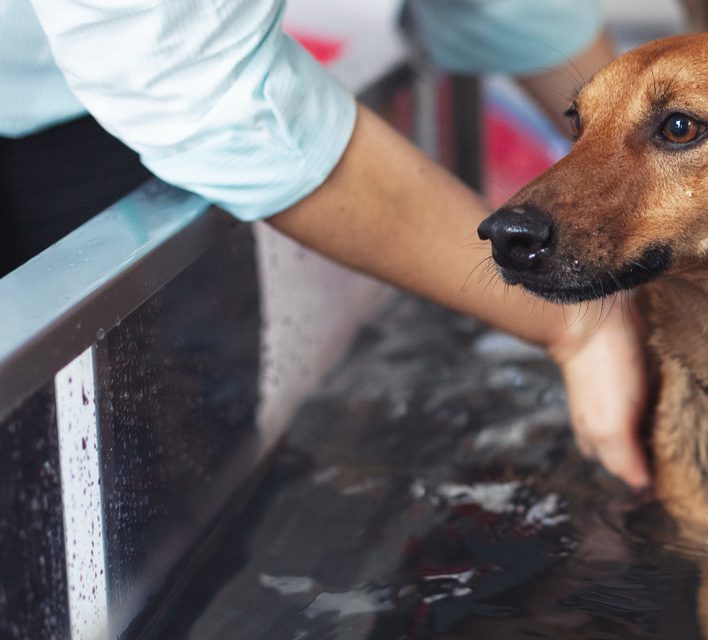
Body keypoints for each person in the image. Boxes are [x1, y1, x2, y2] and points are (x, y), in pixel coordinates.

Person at [0, 0, 651, 488]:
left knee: (190, 456)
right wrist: (575, 328)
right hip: (80, 86)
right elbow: (191, 82)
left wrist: (642, 135)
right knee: (123, 474)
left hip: (81, 81)